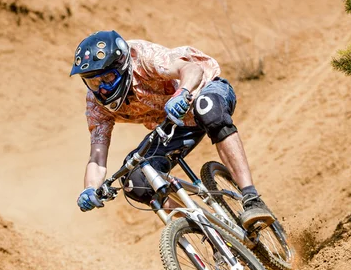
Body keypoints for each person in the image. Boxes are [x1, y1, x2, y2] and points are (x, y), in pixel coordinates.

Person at [70, 30, 273, 229]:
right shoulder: (96, 105)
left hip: (203, 92)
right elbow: (97, 157)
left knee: (207, 109)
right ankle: (210, 230)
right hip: (175, 124)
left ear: (122, 66)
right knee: (136, 181)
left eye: (107, 79)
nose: (102, 89)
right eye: (93, 82)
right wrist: (90, 189)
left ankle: (251, 199)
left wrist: (182, 93)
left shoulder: (143, 58)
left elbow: (192, 69)